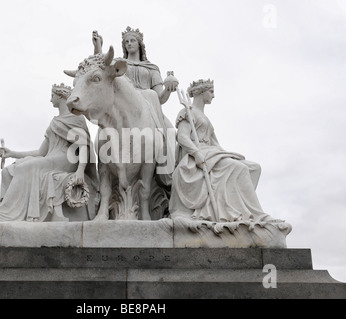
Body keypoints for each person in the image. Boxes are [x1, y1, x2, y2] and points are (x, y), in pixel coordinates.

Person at [0, 83, 98, 222]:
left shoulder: (76, 118)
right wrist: (12, 153)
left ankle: (4, 214)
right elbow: (41, 152)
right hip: (51, 158)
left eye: (52, 96)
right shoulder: (54, 122)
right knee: (8, 171)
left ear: (60, 96)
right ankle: (5, 211)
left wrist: (80, 170)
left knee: (25, 167)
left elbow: (83, 145)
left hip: (66, 160)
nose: (50, 100)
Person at [169, 79, 279, 223]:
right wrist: (196, 153)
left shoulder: (205, 118)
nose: (213, 96)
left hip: (212, 154)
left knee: (253, 168)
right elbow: (182, 137)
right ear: (202, 92)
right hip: (198, 154)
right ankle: (257, 215)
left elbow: (216, 144)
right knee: (239, 168)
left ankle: (244, 212)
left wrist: (228, 156)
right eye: (211, 92)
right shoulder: (187, 112)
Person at [92, 27, 177, 185]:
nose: (129, 44)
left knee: (170, 134)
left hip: (149, 107)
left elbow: (159, 98)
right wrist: (98, 48)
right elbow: (102, 68)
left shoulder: (151, 68)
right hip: (123, 105)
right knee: (102, 133)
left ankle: (167, 174)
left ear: (139, 44)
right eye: (126, 42)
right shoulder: (120, 63)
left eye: (132, 41)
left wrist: (168, 89)